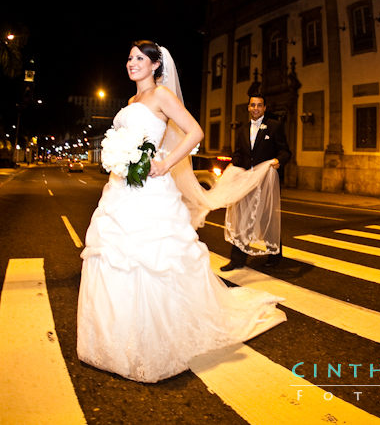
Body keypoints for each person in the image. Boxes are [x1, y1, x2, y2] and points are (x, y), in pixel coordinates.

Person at [76, 41, 286, 383]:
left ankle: (153, 340)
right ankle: (114, 338)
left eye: (139, 58)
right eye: (129, 58)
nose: (131, 63)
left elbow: (195, 132)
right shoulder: (131, 102)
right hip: (120, 190)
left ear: (156, 65)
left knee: (152, 259)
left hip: (150, 192)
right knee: (113, 257)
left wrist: (165, 163)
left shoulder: (161, 96)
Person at [221, 92, 291, 270]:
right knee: (242, 219)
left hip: (266, 181)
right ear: (248, 107)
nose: (256, 108)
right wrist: (232, 168)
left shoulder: (274, 127)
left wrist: (278, 161)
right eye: (253, 105)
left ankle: (274, 256)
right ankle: (237, 260)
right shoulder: (242, 130)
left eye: (259, 105)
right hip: (246, 181)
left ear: (265, 108)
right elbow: (238, 154)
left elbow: (285, 152)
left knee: (267, 219)